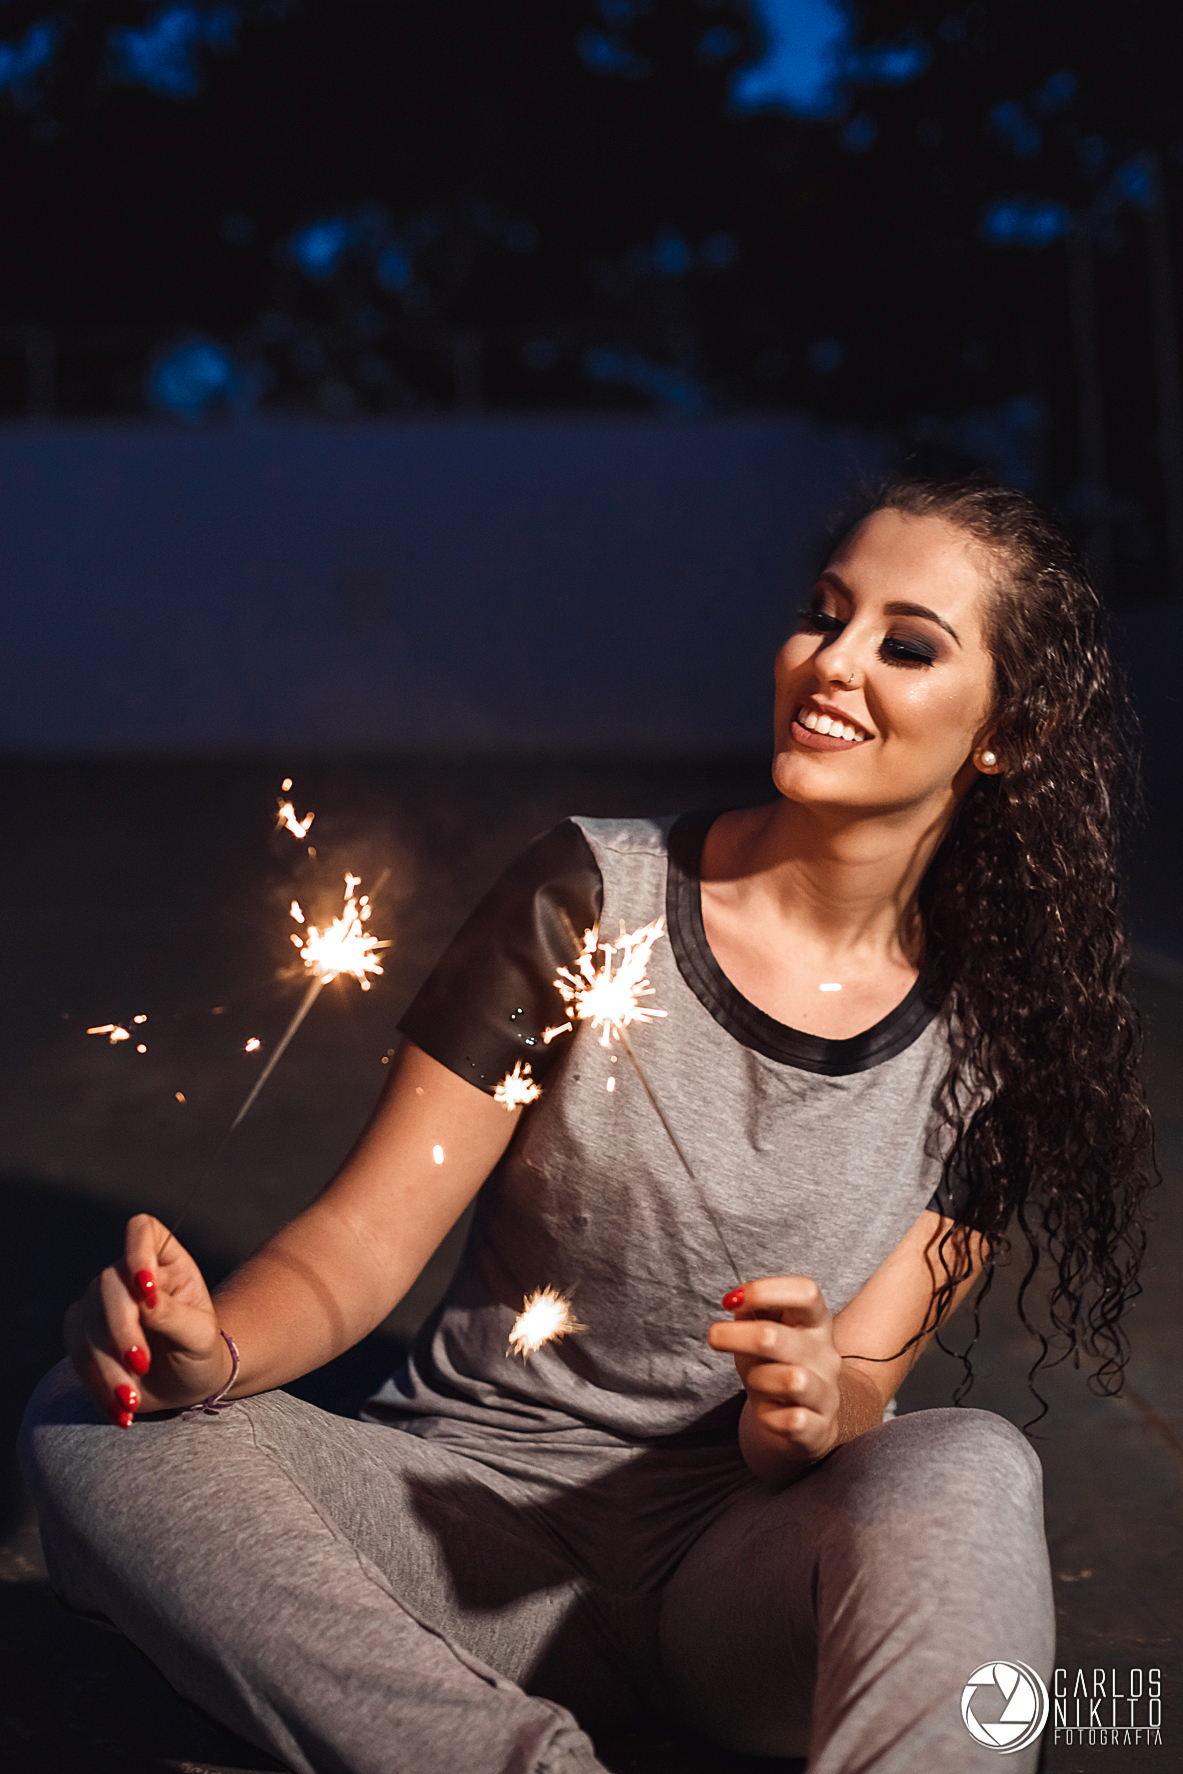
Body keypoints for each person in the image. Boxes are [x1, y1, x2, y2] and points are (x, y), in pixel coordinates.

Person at [21, 479, 1153, 1774]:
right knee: (81, 1414)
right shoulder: (586, 892)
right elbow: (356, 1249)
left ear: (1007, 731)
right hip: (457, 1533)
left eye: (906, 643)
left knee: (974, 1463)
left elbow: (867, 1388)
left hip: (737, 1586)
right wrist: (206, 1355)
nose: (831, 663)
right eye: (822, 615)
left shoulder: (1008, 1047)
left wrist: (814, 1400)